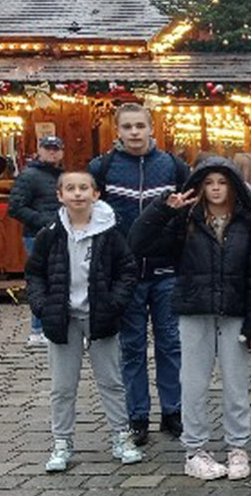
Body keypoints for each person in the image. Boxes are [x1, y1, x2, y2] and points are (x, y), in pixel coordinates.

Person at [129, 157, 251, 481]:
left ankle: (237, 447)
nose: (216, 188)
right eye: (209, 183)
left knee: (236, 384)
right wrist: (164, 209)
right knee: (193, 383)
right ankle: (195, 450)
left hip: (234, 311)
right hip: (194, 309)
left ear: (233, 186)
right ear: (200, 187)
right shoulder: (186, 219)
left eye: (222, 182)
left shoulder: (250, 220)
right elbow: (138, 243)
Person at [25, 170, 144, 472]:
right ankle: (61, 442)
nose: (77, 193)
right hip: (63, 318)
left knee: (111, 381)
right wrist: (42, 306)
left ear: (95, 194)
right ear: (60, 195)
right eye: (70, 188)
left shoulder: (110, 233)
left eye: (83, 188)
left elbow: (127, 271)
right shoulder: (49, 233)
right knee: (62, 386)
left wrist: (114, 303)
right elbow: (35, 273)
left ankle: (121, 436)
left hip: (99, 316)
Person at [89, 103, 190, 446]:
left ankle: (173, 411)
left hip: (166, 271)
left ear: (151, 128)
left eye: (140, 126)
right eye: (127, 127)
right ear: (117, 131)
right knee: (131, 347)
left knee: (171, 344)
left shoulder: (173, 166)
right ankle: (137, 416)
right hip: (126, 274)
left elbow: (189, 214)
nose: (134, 133)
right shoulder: (103, 168)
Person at [9, 135, 65, 346]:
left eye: (56, 148)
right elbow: (15, 208)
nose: (52, 152)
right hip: (37, 236)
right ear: (39, 150)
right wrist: (45, 222)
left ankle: (54, 326)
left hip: (61, 233)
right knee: (41, 280)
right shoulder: (28, 176)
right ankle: (37, 328)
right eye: (48, 148)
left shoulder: (62, 175)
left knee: (59, 279)